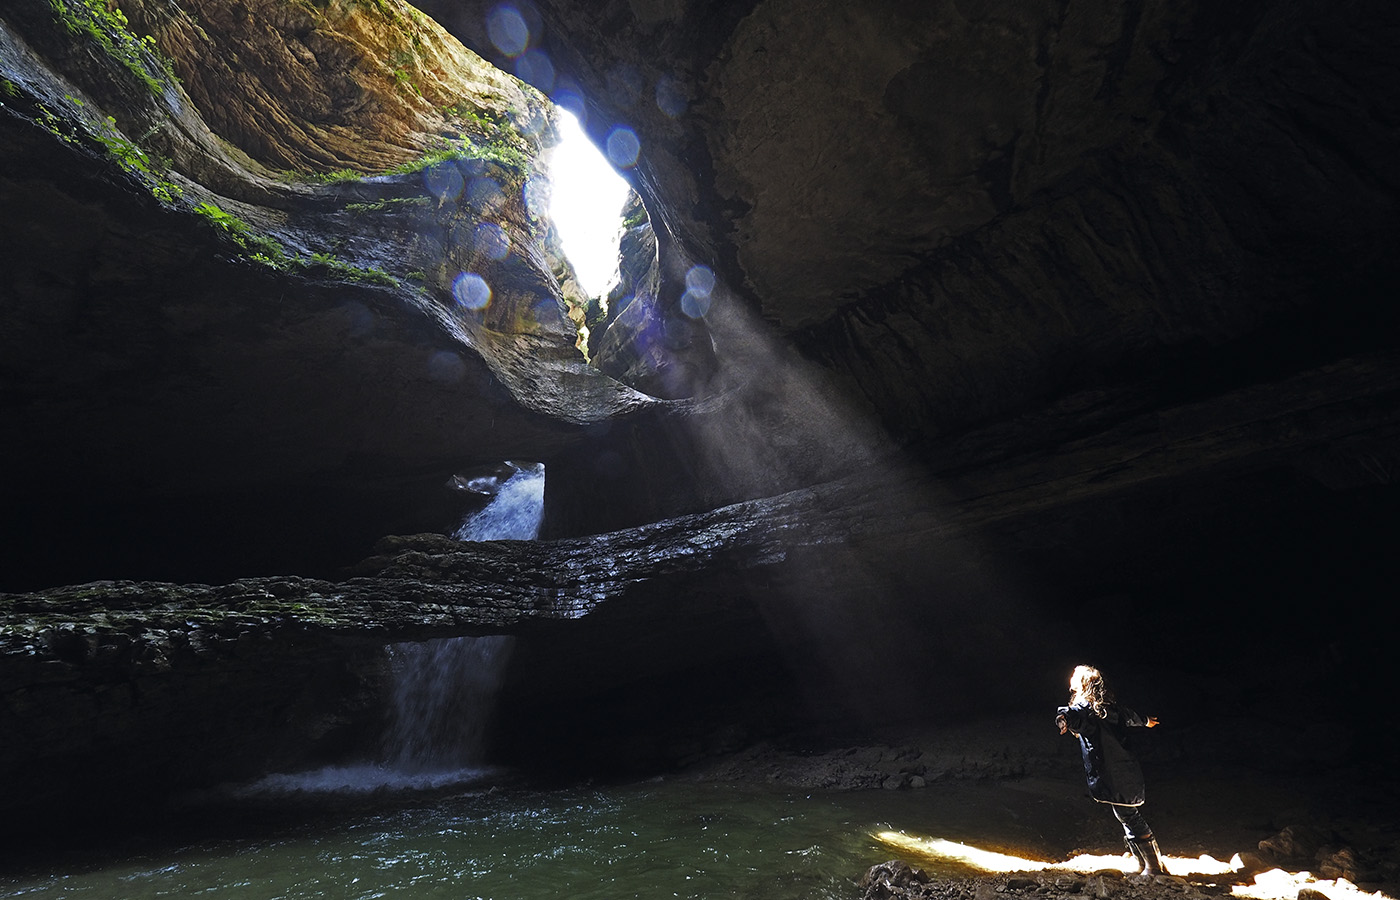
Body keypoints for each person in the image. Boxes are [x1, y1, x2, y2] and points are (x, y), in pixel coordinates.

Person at [1055, 665, 1166, 876]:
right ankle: (1144, 864)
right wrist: (1146, 721)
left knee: (1128, 814)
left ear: (1083, 684)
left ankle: (1154, 868)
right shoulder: (1107, 707)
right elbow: (1130, 716)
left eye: (1075, 675)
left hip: (1112, 771)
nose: (1071, 677)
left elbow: (1070, 714)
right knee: (1124, 813)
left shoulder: (1085, 708)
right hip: (1124, 767)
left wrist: (1063, 721)